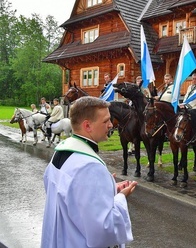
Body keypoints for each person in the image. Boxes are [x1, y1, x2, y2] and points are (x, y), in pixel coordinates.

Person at [41, 96, 137, 248]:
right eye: (106, 121)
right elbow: (103, 231)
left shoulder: (61, 152)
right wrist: (120, 197)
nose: (111, 125)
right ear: (87, 126)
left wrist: (107, 187)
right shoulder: (89, 167)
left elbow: (68, 194)